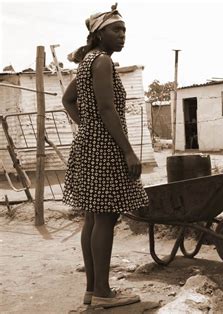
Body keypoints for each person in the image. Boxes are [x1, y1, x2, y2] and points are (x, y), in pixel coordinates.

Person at [62, 3, 148, 309]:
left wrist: (87, 127)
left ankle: (91, 291)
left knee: (93, 219)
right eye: (116, 30)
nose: (122, 35)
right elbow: (107, 109)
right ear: (99, 34)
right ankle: (103, 292)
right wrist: (127, 151)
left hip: (90, 145)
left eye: (124, 30)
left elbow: (68, 99)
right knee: (106, 217)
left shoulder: (88, 62)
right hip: (106, 149)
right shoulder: (102, 63)